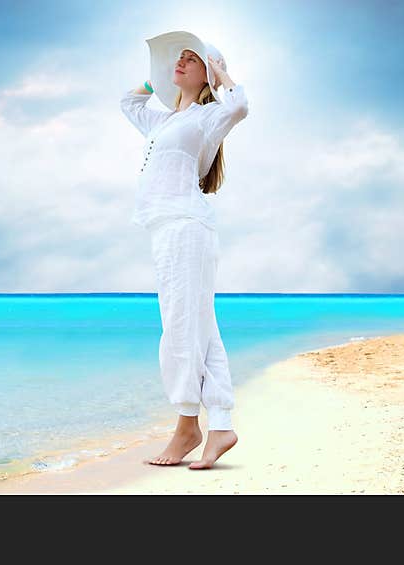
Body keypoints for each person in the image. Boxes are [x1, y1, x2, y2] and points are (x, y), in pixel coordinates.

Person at [119, 31, 249, 469]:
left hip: (187, 228)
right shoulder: (163, 122)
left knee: (180, 329)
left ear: (206, 74)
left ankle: (186, 424)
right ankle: (222, 423)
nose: (181, 62)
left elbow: (239, 105)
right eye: (179, 58)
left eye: (190, 60)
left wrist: (220, 71)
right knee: (200, 329)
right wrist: (158, 79)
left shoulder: (206, 118)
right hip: (166, 230)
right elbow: (129, 103)